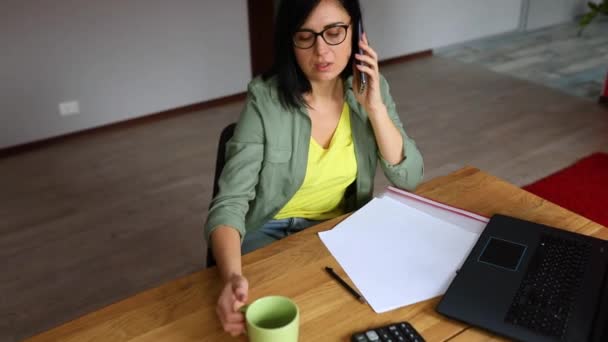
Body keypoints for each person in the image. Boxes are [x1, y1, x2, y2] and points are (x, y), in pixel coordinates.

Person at [204, 0, 424, 336]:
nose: (322, 51)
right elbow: (229, 203)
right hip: (267, 232)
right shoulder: (264, 101)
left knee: (351, 318)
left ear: (357, 33)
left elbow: (409, 175)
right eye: (306, 37)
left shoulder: (369, 89)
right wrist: (233, 276)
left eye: (334, 32)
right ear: (290, 42)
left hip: (338, 229)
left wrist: (375, 108)